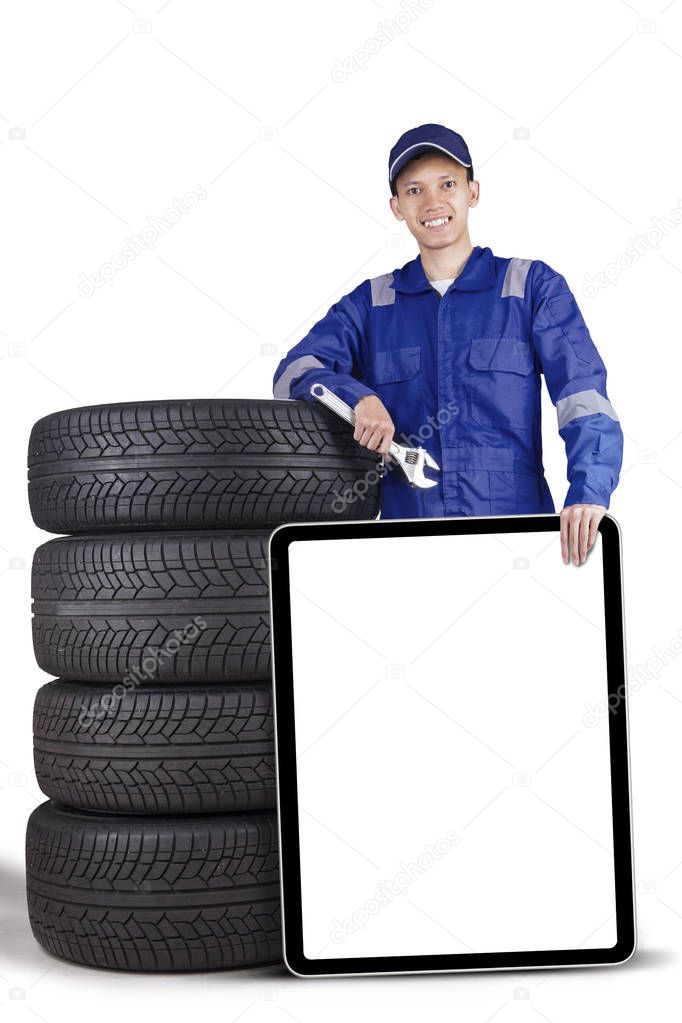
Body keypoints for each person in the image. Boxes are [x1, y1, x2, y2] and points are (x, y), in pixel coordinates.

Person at [272, 123, 623, 567]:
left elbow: (583, 395)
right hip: (409, 545)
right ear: (396, 206)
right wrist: (358, 398)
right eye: (415, 189)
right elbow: (292, 372)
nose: (433, 202)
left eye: (448, 184)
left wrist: (589, 492)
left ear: (473, 191)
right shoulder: (374, 303)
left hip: (516, 541)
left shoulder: (530, 287)